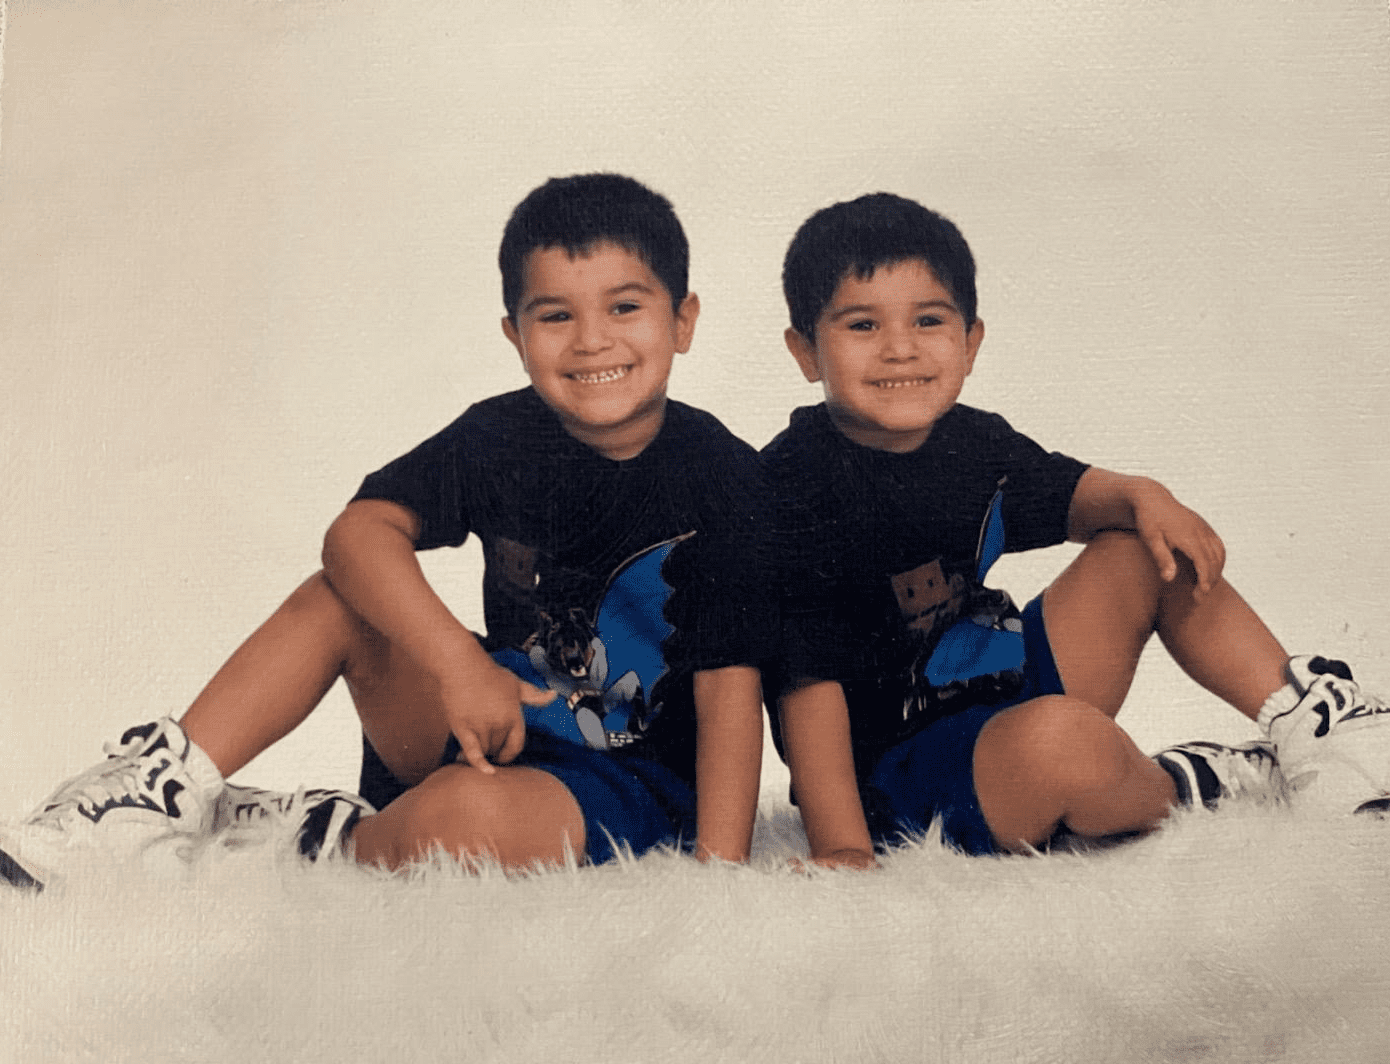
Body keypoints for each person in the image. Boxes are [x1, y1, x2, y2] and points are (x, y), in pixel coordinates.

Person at [1, 173, 773, 890]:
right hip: (483, 722)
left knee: (460, 823)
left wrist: (718, 876)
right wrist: (455, 665)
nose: (591, 340)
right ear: (515, 334)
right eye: (556, 315)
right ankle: (161, 793)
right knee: (341, 595)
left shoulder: (724, 477)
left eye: (624, 307)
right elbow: (356, 534)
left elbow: (733, 687)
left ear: (683, 321)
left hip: (622, 783)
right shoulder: (498, 436)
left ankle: (303, 845)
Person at [762, 192, 1389, 869]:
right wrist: (844, 844)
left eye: (928, 320)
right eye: (862, 325)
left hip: (1002, 690)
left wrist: (1145, 494)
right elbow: (806, 689)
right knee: (1067, 744)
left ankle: (1319, 729)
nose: (900, 349)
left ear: (970, 342)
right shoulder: (790, 490)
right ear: (805, 351)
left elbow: (1079, 497)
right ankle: (1194, 782)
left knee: (1146, 550)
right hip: (897, 776)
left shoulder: (974, 442)